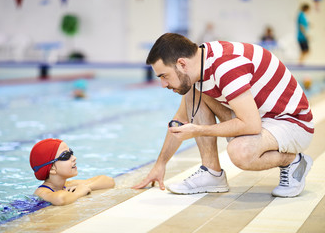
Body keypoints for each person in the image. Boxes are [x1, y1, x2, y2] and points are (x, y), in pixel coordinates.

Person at [133, 33, 314, 198]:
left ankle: (295, 161)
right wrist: (160, 164)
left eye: (164, 76)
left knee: (240, 152)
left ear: (182, 63)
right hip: (263, 119)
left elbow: (251, 125)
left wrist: (199, 130)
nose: (163, 84)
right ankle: (212, 173)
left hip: (293, 123)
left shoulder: (225, 66)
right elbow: (179, 121)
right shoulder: (200, 64)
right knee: (193, 91)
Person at [30, 138, 115, 205]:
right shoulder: (41, 193)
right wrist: (78, 193)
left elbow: (108, 180)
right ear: (52, 168)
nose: (74, 157)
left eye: (71, 153)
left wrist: (86, 186)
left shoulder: (67, 185)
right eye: (66, 155)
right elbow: (61, 199)